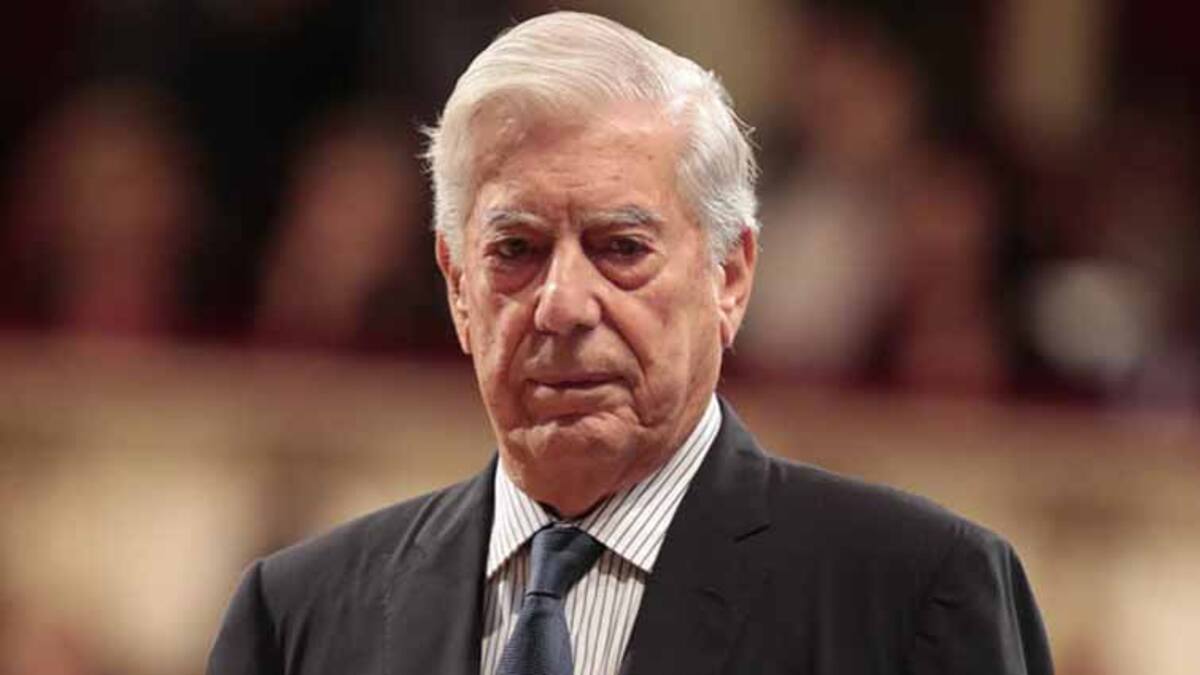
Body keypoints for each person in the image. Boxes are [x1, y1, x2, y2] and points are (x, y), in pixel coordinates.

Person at [207, 11, 1053, 675]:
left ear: (730, 276)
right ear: (457, 285)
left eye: (621, 247)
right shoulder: (299, 617)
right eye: (516, 250)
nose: (563, 306)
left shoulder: (917, 595)